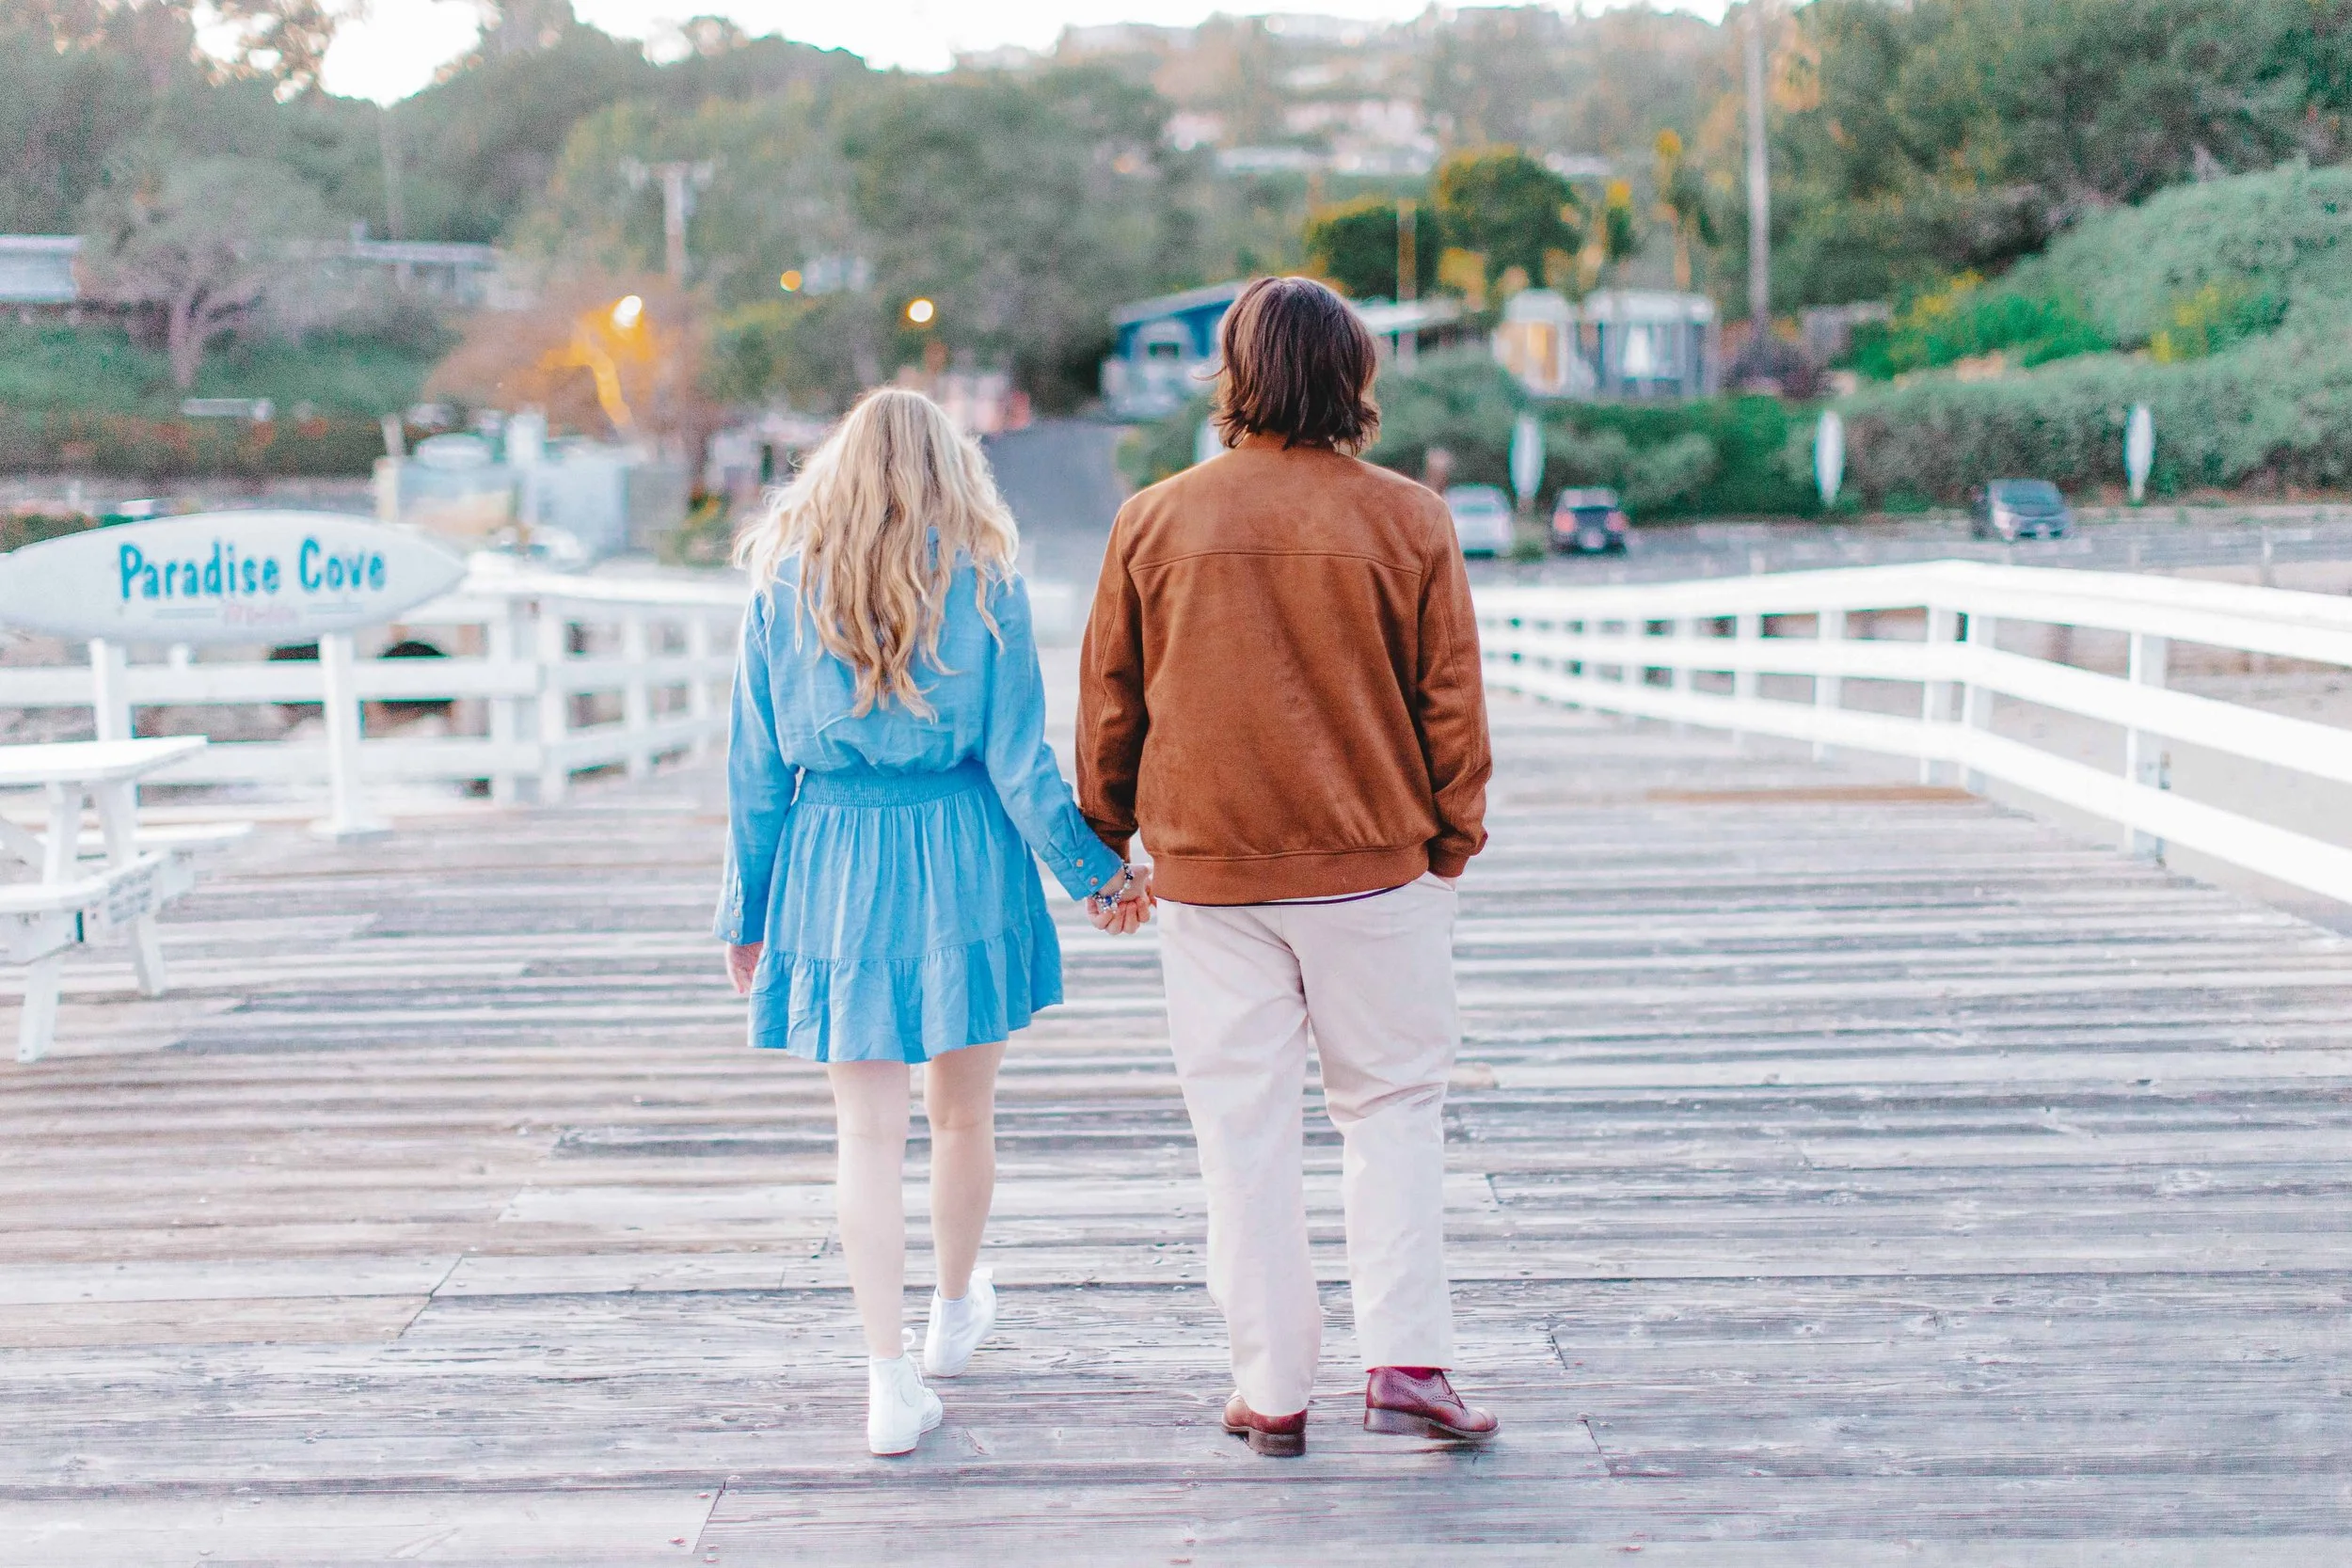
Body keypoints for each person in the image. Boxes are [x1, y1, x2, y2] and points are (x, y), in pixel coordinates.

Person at [1076, 275, 1497, 1458]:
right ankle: (1406, 1364)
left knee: (1242, 1129)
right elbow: (1451, 702)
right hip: (1375, 869)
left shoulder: (1153, 520)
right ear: (1355, 375)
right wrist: (1448, 838)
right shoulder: (1409, 516)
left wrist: (1108, 837)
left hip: (1210, 880)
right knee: (1393, 1109)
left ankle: (1271, 1390)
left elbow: (1111, 702)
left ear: (1235, 376)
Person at [717, 388, 1152, 1458]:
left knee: (865, 1132)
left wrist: (747, 908)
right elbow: (1019, 760)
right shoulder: (985, 576)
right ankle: (954, 1312)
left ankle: (886, 1375)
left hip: (833, 860)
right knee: (962, 1115)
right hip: (962, 853)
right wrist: (1097, 875)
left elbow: (756, 767)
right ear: (952, 470)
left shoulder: (780, 581)